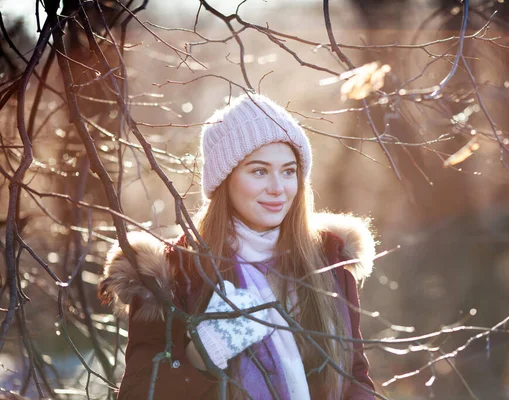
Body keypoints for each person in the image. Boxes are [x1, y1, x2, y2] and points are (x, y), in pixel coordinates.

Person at [98, 93, 377, 399]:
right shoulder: (171, 276)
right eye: (259, 171)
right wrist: (200, 356)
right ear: (224, 179)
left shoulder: (328, 261)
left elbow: (355, 378)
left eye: (288, 171)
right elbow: (138, 393)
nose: (277, 188)